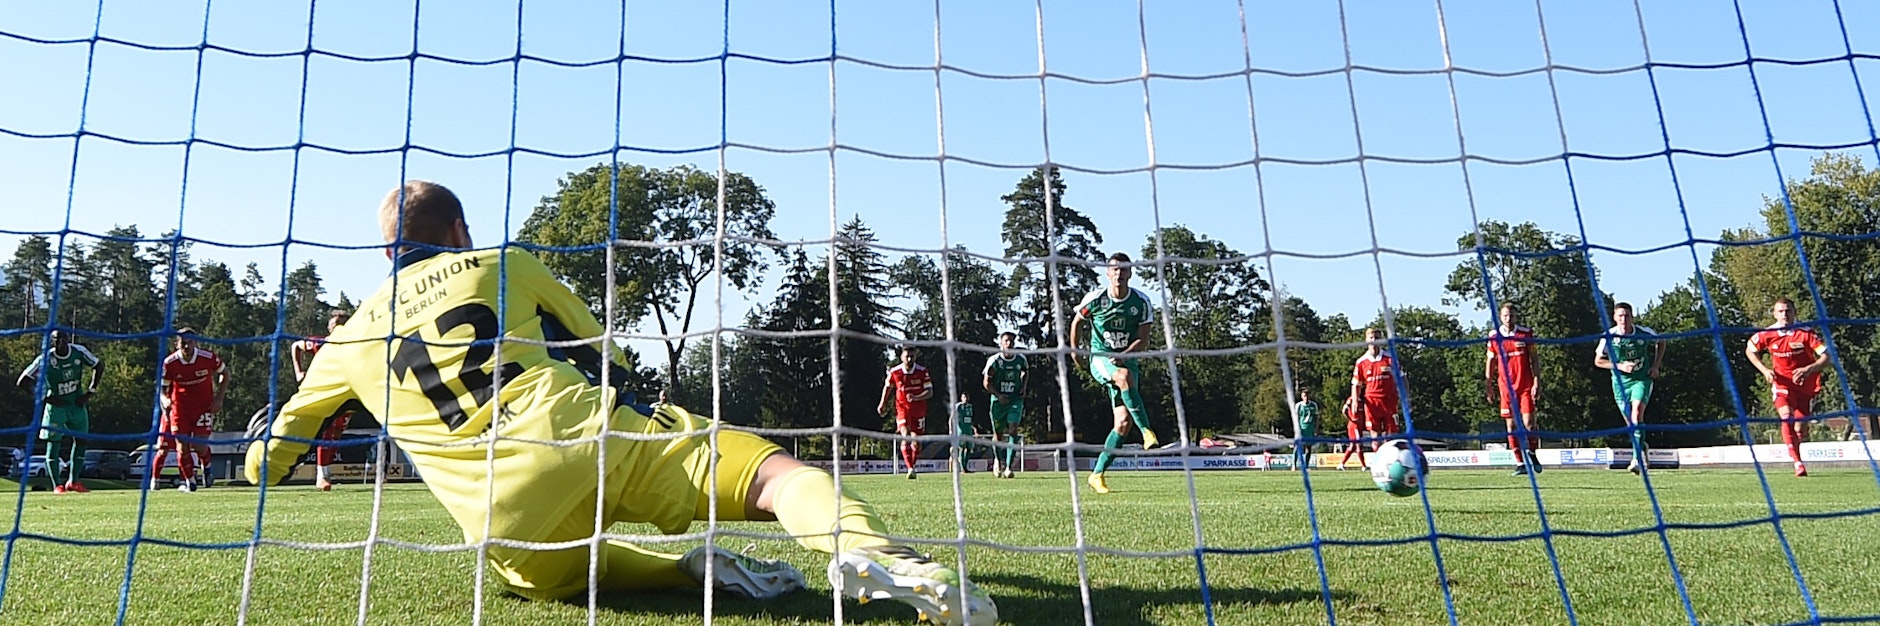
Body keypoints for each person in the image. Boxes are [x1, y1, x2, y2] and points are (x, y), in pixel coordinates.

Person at [243, 181, 994, 625]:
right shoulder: (503, 263)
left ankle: (691, 572)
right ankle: (874, 556)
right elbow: (599, 350)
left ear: (385, 254)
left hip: (505, 517)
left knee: (543, 576)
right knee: (775, 476)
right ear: (459, 231)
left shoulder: (348, 340)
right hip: (589, 433)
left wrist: (297, 425)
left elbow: (266, 465)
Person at [1070, 252, 1160, 495]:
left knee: (1122, 423)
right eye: (1115, 269)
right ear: (1108, 273)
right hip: (1101, 358)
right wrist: (1075, 351)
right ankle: (1147, 432)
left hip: (1127, 361)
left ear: (1130, 273)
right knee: (1123, 377)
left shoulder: (1141, 302)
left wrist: (1126, 355)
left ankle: (1096, 474)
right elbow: (1077, 322)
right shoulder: (1096, 298)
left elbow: (1143, 339)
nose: (1119, 273)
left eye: (1124, 269)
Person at [1745, 297, 1830, 477]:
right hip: (1782, 384)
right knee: (1786, 418)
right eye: (1781, 311)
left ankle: (1796, 442)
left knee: (1800, 428)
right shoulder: (1767, 334)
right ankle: (1798, 463)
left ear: (1794, 312)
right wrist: (1765, 370)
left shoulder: (1806, 333)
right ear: (1774, 314)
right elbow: (1750, 350)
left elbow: (1827, 356)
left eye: (1788, 311)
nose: (1785, 314)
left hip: (1805, 386)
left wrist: (1808, 369)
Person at [16, 329, 102, 494]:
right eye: (57, 339)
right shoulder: (46, 359)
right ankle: (57, 485)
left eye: (63, 338)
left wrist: (91, 391)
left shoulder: (79, 352)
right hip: (56, 408)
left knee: (81, 440)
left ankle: (74, 481)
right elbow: (23, 381)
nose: (61, 341)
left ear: (68, 339)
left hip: (76, 405)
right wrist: (43, 398)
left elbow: (98, 365)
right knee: (54, 443)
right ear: (52, 342)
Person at [1594, 302, 1663, 476]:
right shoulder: (1609, 337)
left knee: (1637, 414)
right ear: (1614, 318)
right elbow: (1598, 361)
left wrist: (1656, 366)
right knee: (1631, 424)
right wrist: (1619, 366)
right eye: (1620, 316)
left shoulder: (1643, 333)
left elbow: (1661, 341)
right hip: (1620, 384)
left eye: (1627, 316)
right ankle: (1642, 447)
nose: (1623, 319)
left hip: (1641, 380)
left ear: (1632, 317)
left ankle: (1636, 460)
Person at [291, 308, 356, 491]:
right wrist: (298, 372)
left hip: (347, 394)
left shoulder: (355, 346)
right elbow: (296, 346)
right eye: (334, 326)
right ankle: (322, 476)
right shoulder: (322, 344)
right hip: (323, 394)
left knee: (336, 434)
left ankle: (322, 472)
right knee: (327, 432)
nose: (336, 329)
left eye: (341, 325)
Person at [159, 329, 226, 492]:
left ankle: (207, 466)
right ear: (177, 344)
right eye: (183, 343)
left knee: (199, 445)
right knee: (182, 447)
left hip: (203, 408)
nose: (187, 346)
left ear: (195, 342)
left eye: (190, 342)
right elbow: (162, 388)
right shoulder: (170, 363)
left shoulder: (208, 357)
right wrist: (165, 399)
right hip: (180, 410)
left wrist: (219, 398)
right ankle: (190, 482)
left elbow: (225, 373)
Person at [1486, 302, 1542, 476]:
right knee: (1511, 426)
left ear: (1516, 317)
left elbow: (1534, 359)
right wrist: (1488, 385)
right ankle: (1520, 463)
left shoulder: (1525, 334)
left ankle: (1532, 453)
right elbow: (1490, 361)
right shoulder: (1494, 336)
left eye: (1511, 315)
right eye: (1505, 315)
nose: (1508, 318)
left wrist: (1537, 381)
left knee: (1529, 424)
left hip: (1525, 386)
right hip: (1506, 388)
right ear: (1500, 317)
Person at [877, 344, 934, 480]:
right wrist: (882, 403)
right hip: (902, 409)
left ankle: (912, 466)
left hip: (919, 410)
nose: (909, 359)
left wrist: (916, 397)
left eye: (912, 356)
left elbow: (930, 392)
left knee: (916, 442)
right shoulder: (895, 372)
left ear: (915, 356)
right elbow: (888, 387)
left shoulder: (922, 371)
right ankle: (910, 468)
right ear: (901, 357)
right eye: (907, 356)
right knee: (905, 435)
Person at [981, 331, 1027, 479]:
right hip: (998, 402)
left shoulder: (1020, 359)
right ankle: (997, 460)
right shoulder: (994, 361)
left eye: (1012, 341)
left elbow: (1026, 371)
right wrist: (998, 395)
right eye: (1006, 341)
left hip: (1015, 400)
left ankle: (1009, 467)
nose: (1009, 344)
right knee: (998, 435)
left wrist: (1023, 387)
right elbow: (986, 383)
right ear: (1001, 343)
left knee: (1013, 430)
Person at [1350, 328, 1405, 449]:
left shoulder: (1390, 359)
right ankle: (1377, 457)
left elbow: (1402, 378)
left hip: (1389, 401)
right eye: (1371, 337)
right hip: (1371, 402)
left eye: (1377, 338)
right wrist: (1355, 401)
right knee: (1375, 437)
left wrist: (1406, 398)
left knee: (1390, 437)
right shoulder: (1361, 362)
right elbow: (1356, 384)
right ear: (1366, 340)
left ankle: (1389, 457)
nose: (1374, 340)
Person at [952, 392, 982, 474]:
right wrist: (951, 429)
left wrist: (974, 429)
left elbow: (970, 419)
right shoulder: (958, 406)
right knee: (962, 448)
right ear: (961, 398)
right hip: (961, 431)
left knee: (969, 448)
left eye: (967, 397)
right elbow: (952, 418)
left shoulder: (970, 406)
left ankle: (965, 467)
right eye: (964, 397)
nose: (966, 399)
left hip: (969, 431)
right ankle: (963, 468)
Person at [1335, 394, 1367, 470]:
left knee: (1352, 447)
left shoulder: (1362, 400)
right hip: (1354, 427)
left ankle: (1341, 464)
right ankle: (1364, 466)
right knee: (1359, 445)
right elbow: (1344, 410)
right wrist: (1351, 419)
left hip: (1359, 427)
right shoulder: (1351, 399)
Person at [1291, 387, 1319, 471]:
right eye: (1304, 396)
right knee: (1298, 447)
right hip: (1301, 429)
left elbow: (1316, 418)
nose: (1306, 397)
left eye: (1307, 396)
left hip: (1310, 430)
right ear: (1302, 397)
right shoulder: (1299, 406)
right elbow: (1296, 418)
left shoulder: (1314, 405)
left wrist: (1316, 429)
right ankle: (1294, 465)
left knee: (1308, 448)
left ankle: (1306, 466)